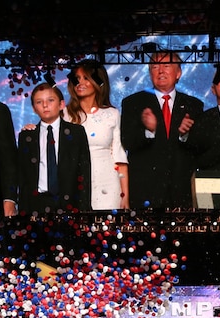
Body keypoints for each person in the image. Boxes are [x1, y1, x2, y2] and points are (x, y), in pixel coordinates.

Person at [121, 50, 203, 210]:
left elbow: (200, 146)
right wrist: (148, 131)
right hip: (145, 191)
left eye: (166, 65)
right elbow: (127, 142)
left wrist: (185, 135)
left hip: (181, 190)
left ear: (178, 73)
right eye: (154, 66)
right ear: (149, 73)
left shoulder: (194, 105)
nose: (160, 70)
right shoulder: (133, 102)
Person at [15, 83, 91, 215]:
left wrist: (83, 209)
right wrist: (23, 210)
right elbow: (23, 177)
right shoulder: (27, 136)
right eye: (39, 102)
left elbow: (84, 172)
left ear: (61, 105)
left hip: (69, 203)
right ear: (34, 108)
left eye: (50, 100)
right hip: (37, 204)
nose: (45, 105)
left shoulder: (76, 133)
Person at [64, 59, 129, 210]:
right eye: (77, 79)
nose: (80, 83)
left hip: (108, 184)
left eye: (86, 78)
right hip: (75, 183)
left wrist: (125, 196)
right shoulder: (64, 115)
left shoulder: (112, 114)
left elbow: (119, 157)